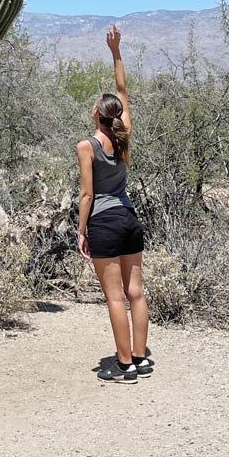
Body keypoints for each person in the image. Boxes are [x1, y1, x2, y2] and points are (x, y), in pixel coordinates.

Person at [76, 23, 152, 384]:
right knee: (135, 291)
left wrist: (81, 231)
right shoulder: (124, 136)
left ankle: (124, 366)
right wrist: (116, 51)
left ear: (96, 114)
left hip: (104, 223)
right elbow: (123, 89)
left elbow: (87, 194)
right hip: (129, 219)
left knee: (114, 298)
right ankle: (140, 357)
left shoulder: (87, 146)